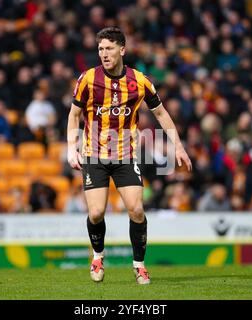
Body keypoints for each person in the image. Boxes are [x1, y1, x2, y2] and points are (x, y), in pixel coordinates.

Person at [67, 27, 192, 284]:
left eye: (109, 48)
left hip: (126, 155)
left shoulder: (140, 81)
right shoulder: (87, 79)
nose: (104, 54)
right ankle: (98, 257)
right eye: (100, 49)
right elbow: (74, 115)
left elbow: (161, 114)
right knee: (96, 213)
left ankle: (139, 265)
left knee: (136, 209)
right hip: (94, 155)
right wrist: (72, 147)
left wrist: (178, 146)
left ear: (122, 50)